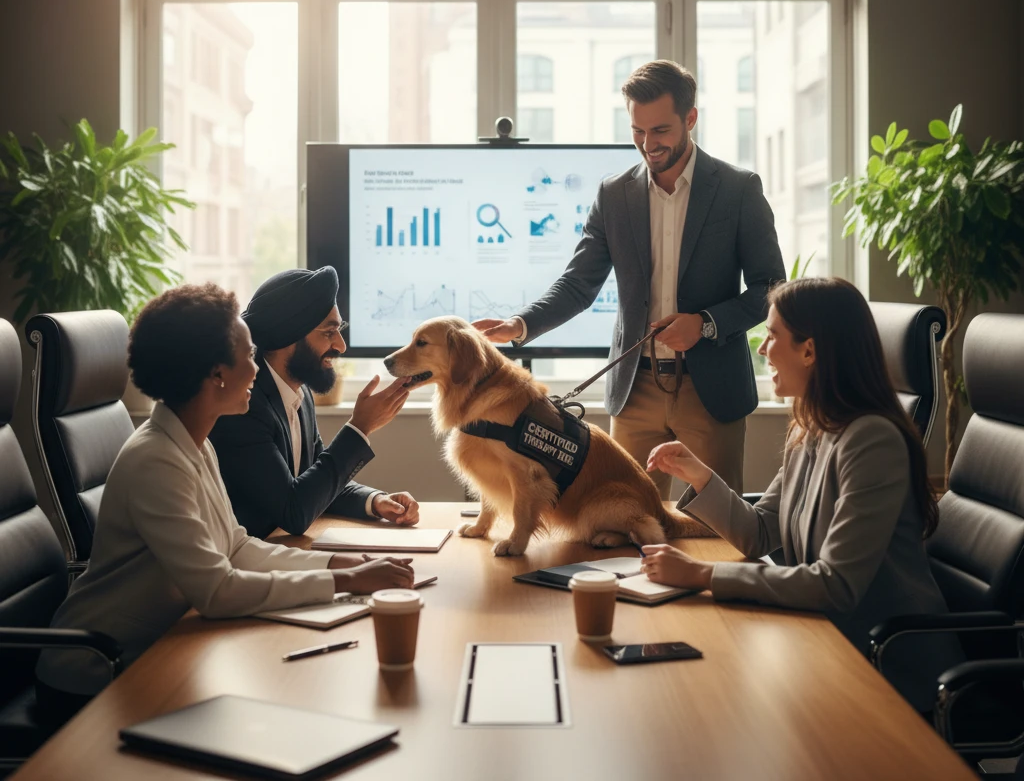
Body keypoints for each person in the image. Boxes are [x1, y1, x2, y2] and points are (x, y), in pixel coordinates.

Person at [36, 284, 414, 718]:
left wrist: (339, 565)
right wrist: (346, 582)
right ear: (218, 374)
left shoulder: (195, 444)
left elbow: (236, 547)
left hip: (162, 647)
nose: (257, 368)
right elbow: (217, 591)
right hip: (97, 671)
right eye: (249, 355)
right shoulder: (155, 460)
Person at [641, 276, 957, 711]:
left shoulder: (872, 440)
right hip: (825, 640)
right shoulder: (810, 427)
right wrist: (698, 475)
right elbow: (760, 532)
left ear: (809, 351)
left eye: (772, 336)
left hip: (890, 666)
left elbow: (836, 585)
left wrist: (702, 575)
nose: (762, 349)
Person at [474, 60, 785, 494]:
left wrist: (705, 324)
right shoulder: (613, 194)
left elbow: (770, 288)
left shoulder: (738, 189)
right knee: (623, 516)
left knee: (715, 522)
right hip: (634, 389)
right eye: (638, 130)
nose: (647, 144)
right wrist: (520, 324)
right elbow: (578, 284)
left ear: (690, 119)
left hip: (711, 391)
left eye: (660, 130)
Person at [210, 267, 420, 539]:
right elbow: (294, 511)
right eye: (329, 332)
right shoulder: (245, 406)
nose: (341, 345)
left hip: (282, 549)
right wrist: (359, 428)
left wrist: (375, 501)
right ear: (287, 335)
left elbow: (315, 482)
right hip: (251, 555)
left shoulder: (300, 393)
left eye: (339, 330)